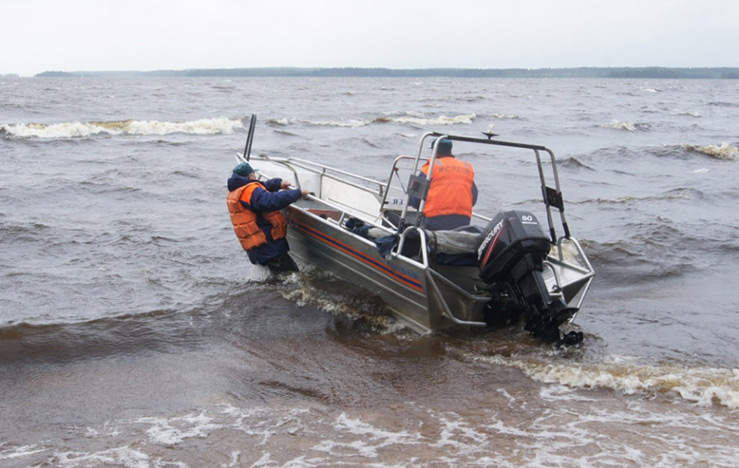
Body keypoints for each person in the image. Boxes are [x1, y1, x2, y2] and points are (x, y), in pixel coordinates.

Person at [226, 162, 309, 274]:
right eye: (254, 174)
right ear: (250, 176)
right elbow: (270, 201)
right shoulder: (250, 191)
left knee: (275, 280)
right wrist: (297, 193)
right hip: (269, 247)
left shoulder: (236, 191)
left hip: (257, 248)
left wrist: (278, 184)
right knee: (292, 277)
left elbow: (262, 188)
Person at [409, 138, 478, 230]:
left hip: (435, 220)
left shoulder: (429, 168)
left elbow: (414, 199)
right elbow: (474, 197)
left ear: (434, 152)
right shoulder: (466, 167)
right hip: (463, 220)